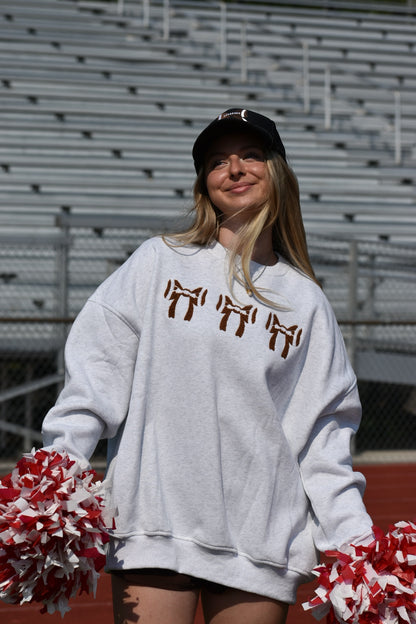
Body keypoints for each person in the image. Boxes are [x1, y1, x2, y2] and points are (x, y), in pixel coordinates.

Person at [42, 108, 374, 624]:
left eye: (250, 156)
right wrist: (60, 472)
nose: (234, 169)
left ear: (277, 172)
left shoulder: (305, 302)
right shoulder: (158, 262)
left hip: (261, 536)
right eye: (218, 161)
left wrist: (355, 545)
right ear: (206, 183)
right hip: (154, 522)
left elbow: (322, 436)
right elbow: (95, 375)